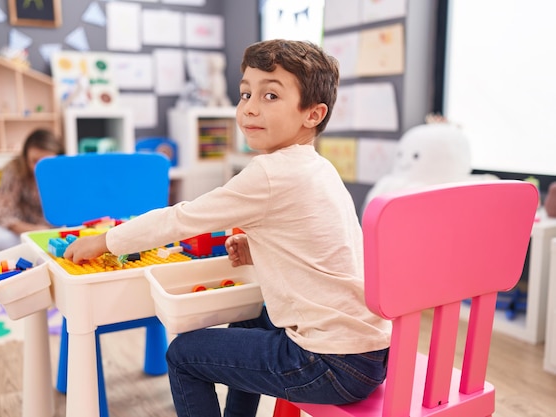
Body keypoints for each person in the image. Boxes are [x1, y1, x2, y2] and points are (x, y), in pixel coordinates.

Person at [63, 39, 392, 417]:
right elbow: (326, 247)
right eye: (245, 94)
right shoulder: (319, 167)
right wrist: (259, 249)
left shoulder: (269, 172)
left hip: (328, 364)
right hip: (369, 353)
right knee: (248, 315)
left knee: (182, 355)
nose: (250, 107)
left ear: (313, 114)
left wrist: (106, 241)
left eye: (270, 96)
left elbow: (181, 218)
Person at [0, 128, 63, 253]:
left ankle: (36, 252)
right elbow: (2, 213)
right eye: (34, 161)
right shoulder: (14, 169)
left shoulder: (63, 172)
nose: (37, 168)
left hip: (55, 234)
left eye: (46, 162)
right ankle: (39, 252)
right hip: (22, 233)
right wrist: (34, 230)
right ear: (25, 157)